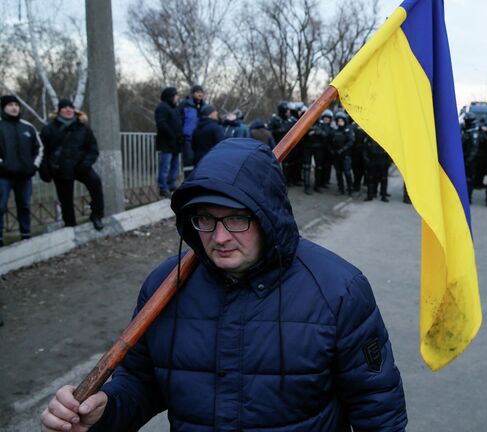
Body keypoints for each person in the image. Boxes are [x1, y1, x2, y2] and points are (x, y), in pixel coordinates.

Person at [40, 138, 407, 431]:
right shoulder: (164, 286)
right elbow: (141, 381)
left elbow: (377, 407)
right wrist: (104, 410)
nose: (219, 238)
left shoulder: (339, 290)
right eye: (205, 219)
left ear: (269, 217)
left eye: (236, 219)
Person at [40, 99, 104, 230]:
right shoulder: (49, 129)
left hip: (81, 166)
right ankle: (70, 225)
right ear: (59, 111)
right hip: (60, 168)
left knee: (95, 183)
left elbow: (93, 149)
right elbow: (43, 151)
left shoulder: (83, 129)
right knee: (65, 199)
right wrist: (44, 170)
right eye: (64, 107)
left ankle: (96, 215)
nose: (68, 110)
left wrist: (86, 164)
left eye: (70, 107)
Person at [0, 95, 41, 246]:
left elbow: (39, 148)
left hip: (24, 176)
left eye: (16, 105)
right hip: (3, 176)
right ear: (4, 107)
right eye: (10, 105)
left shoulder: (28, 127)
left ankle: (25, 235)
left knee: (24, 206)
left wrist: (34, 166)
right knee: (1, 206)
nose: (14, 107)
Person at [154, 87, 182, 198]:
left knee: (175, 166)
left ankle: (171, 185)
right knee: (165, 166)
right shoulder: (162, 107)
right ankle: (163, 187)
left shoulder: (175, 108)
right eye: (176, 95)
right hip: (166, 142)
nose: (177, 97)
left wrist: (179, 136)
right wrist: (172, 136)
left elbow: (178, 123)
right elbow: (161, 124)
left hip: (175, 143)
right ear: (170, 96)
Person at [180, 85, 206, 176]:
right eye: (198, 92)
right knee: (188, 160)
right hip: (188, 138)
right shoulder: (184, 105)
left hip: (200, 138)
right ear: (193, 93)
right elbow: (179, 120)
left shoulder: (204, 106)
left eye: (201, 92)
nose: (200, 94)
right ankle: (187, 180)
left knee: (200, 159)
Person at [330, 111, 355, 196]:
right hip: (337, 156)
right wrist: (332, 150)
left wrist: (343, 149)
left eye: (341, 121)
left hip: (345, 156)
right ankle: (341, 188)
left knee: (347, 172)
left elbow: (351, 141)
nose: (340, 122)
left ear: (344, 121)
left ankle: (350, 189)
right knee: (338, 173)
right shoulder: (335, 131)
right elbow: (330, 142)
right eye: (338, 121)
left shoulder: (348, 130)